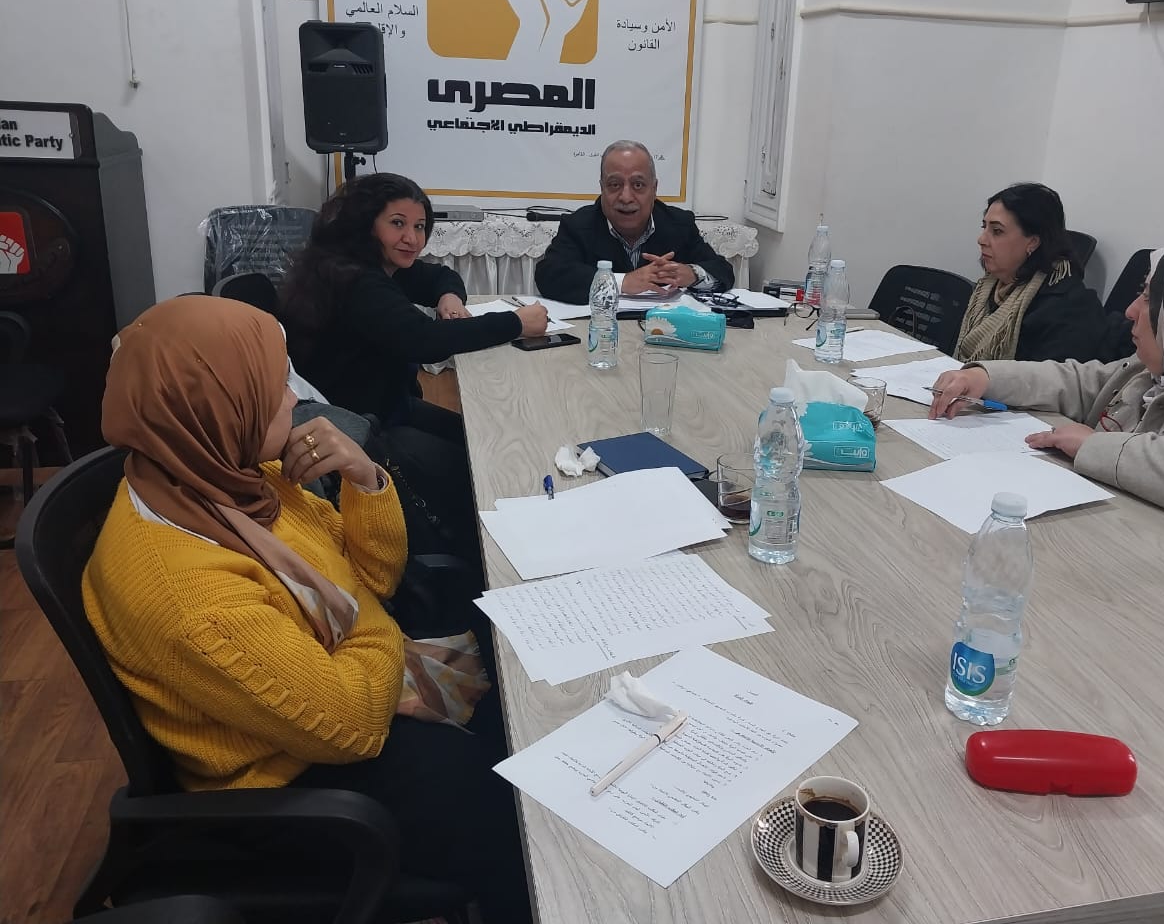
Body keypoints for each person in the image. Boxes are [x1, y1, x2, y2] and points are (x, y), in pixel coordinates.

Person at [83, 296, 532, 923]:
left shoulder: (228, 473)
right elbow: (353, 723)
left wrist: (364, 479)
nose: (295, 399)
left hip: (329, 694)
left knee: (521, 710)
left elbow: (374, 576)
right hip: (287, 779)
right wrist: (373, 621)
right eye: (273, 388)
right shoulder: (188, 594)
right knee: (517, 807)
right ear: (220, 408)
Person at [929, 239, 1164, 521]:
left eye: (1149, 299)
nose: (1130, 310)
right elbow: (1080, 382)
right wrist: (985, 377)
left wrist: (1094, 446)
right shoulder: (1163, 368)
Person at [279, 172, 548, 431]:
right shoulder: (355, 280)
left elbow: (441, 276)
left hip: (387, 404)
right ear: (366, 224)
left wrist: (449, 296)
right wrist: (516, 323)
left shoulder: (373, 262)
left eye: (419, 226)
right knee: (482, 449)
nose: (412, 238)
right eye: (397, 223)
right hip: (355, 426)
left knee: (482, 435)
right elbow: (424, 340)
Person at [534, 139, 735, 304]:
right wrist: (622, 282)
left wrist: (692, 274)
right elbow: (549, 275)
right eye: (614, 185)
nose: (626, 197)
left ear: (654, 189)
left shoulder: (678, 224)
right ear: (602, 188)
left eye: (638, 185)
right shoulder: (578, 225)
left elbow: (722, 271)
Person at [954, 183, 1130, 364]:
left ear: (1033, 242)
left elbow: (1048, 379)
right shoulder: (988, 288)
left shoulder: (1067, 307)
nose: (981, 239)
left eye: (997, 231)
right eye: (984, 227)